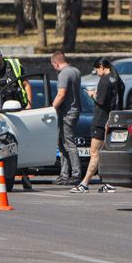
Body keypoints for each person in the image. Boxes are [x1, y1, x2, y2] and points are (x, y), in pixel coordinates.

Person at [0, 46, 35, 190]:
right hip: (0, 114)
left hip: (20, 111)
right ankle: (7, 174)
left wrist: (29, 105)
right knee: (5, 144)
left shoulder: (15, 66)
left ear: (1, 56)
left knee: (23, 143)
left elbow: (26, 84)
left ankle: (25, 174)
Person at [71, 58, 123, 193]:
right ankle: (109, 183)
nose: (96, 73)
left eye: (96, 70)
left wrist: (92, 94)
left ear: (101, 67)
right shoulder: (117, 79)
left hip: (101, 121)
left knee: (94, 153)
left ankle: (84, 184)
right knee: (104, 153)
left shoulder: (105, 80)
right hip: (113, 120)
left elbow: (100, 101)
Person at [50, 51, 82, 185]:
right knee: (63, 144)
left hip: (67, 113)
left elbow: (61, 94)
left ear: (56, 63)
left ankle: (75, 174)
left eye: (53, 65)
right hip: (74, 110)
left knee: (68, 143)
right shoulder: (76, 71)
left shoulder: (64, 73)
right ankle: (64, 174)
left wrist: (51, 109)